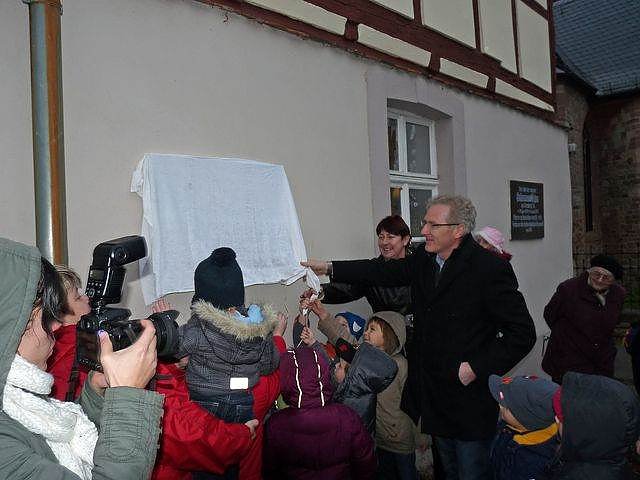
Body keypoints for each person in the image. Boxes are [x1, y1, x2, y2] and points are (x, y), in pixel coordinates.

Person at [303, 194, 536, 480]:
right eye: (424, 223)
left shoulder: (488, 268)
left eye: (432, 225)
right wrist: (329, 267)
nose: (423, 230)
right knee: (445, 470)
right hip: (435, 395)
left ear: (458, 230)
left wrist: (475, 368)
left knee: (470, 471)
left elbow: (522, 333)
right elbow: (379, 271)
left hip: (468, 400)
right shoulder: (427, 261)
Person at [0, 237, 163, 479]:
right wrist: (129, 396)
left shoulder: (14, 398)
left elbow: (51, 439)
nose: (56, 326)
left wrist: (95, 396)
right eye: (46, 317)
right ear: (13, 329)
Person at [263, 346, 376, 479]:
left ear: (286, 381)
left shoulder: (276, 425)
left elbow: (270, 469)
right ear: (324, 375)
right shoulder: (347, 417)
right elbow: (366, 462)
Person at [542, 254, 625, 384]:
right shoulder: (568, 289)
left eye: (606, 277)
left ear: (613, 280)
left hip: (601, 362)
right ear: (589, 271)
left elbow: (614, 321)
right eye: (597, 274)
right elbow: (550, 315)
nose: (600, 280)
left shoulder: (618, 294)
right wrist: (566, 338)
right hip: (568, 360)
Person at [544, 372, 640, 479]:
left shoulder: (577, 473)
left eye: (561, 418)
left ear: (585, 433)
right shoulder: (614, 461)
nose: (556, 420)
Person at [321, 214, 412, 315]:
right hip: (384, 325)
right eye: (381, 237)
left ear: (405, 240)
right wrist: (317, 292)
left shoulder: (417, 266)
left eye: (390, 237)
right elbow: (345, 289)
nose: (384, 242)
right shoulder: (371, 271)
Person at [488, 375, 560, 480]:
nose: (500, 406)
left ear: (523, 418)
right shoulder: (509, 426)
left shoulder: (533, 462)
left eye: (505, 407)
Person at [47, 265, 92, 401]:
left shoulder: (47, 345)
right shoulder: (84, 348)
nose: (86, 298)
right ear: (60, 314)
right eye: (78, 298)